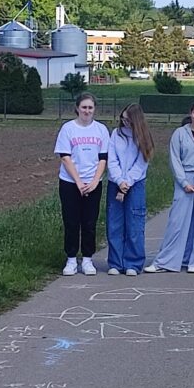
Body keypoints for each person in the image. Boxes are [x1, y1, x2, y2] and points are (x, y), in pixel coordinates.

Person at [144, 100, 194, 274]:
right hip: (185, 179)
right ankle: (165, 261)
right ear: (190, 113)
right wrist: (184, 182)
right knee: (177, 222)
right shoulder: (180, 134)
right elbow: (175, 160)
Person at [55, 92, 110, 276]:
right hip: (70, 183)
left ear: (94, 109)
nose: (87, 111)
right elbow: (65, 157)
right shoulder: (68, 129)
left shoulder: (101, 130)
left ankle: (87, 259)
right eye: (84, 107)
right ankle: (71, 259)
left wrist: (94, 181)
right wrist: (78, 182)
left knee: (89, 222)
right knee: (71, 221)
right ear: (77, 108)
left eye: (90, 108)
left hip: (93, 183)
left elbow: (103, 158)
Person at [106, 103, 155, 276]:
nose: (125, 122)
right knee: (115, 223)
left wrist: (128, 181)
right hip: (115, 183)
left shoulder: (143, 137)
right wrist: (119, 180)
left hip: (135, 184)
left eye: (129, 120)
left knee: (134, 223)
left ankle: (133, 263)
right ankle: (115, 262)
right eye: (123, 119)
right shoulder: (115, 134)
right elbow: (112, 159)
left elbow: (142, 162)